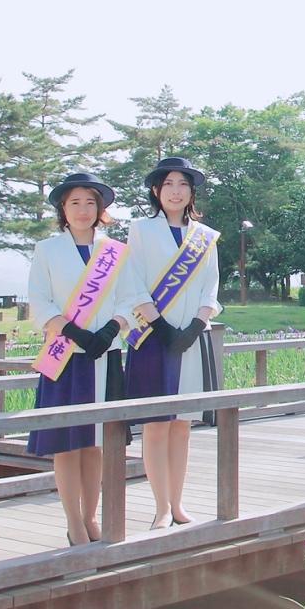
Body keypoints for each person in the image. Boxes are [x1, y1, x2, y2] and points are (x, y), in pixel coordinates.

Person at [119, 157, 221, 530]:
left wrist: (196, 325)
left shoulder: (205, 237)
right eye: (168, 184)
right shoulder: (141, 230)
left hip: (192, 340)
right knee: (156, 424)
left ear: (192, 191)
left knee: (182, 425)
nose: (175, 191)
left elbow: (211, 285)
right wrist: (159, 324)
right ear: (156, 191)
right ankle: (161, 506)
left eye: (183, 184)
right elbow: (132, 281)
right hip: (152, 336)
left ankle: (178, 504)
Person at [27, 172, 128, 546]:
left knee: (96, 442)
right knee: (67, 443)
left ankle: (90, 517)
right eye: (75, 203)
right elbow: (39, 300)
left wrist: (111, 329)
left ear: (100, 209)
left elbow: (130, 297)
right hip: (65, 355)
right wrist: (72, 330)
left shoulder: (116, 250)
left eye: (90, 203)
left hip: (105, 354)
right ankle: (73, 523)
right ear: (62, 210)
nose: (83, 210)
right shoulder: (47, 250)